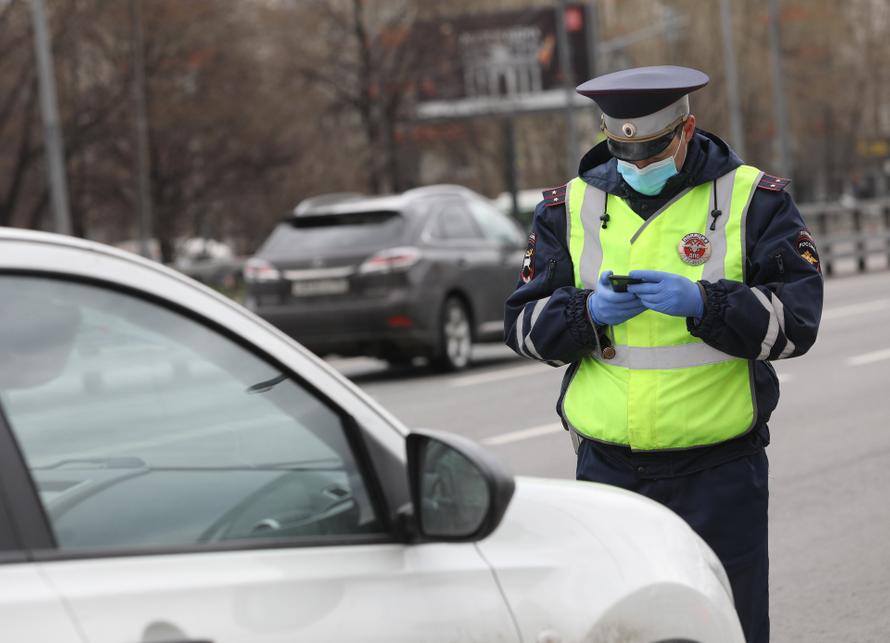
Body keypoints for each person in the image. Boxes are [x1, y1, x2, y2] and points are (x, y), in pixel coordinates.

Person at [504, 65, 823, 643]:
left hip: (720, 471)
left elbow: (797, 324)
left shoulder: (754, 200)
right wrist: (584, 315)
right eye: (624, 152)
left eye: (652, 151)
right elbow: (521, 326)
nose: (638, 165)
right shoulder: (566, 208)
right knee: (618, 627)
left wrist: (706, 304)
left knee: (730, 625)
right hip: (607, 474)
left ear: (686, 130)